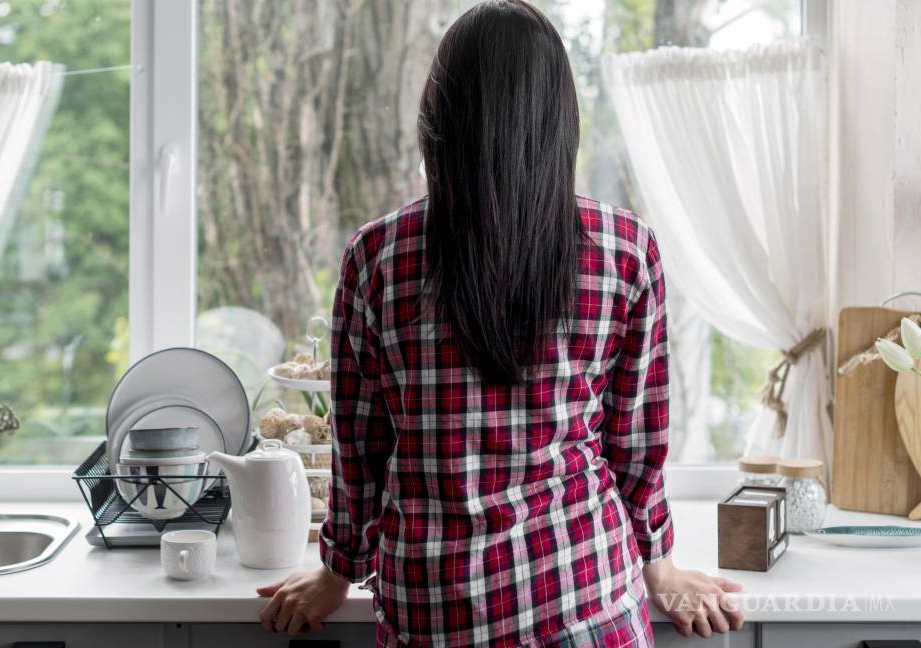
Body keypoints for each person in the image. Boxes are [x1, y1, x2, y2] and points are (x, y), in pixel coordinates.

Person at [256, 1, 745, 645]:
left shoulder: (377, 258)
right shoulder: (626, 249)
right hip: (586, 601)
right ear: (559, 119)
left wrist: (337, 571)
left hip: (434, 613)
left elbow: (360, 450)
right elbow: (637, 446)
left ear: (440, 119)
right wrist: (660, 566)